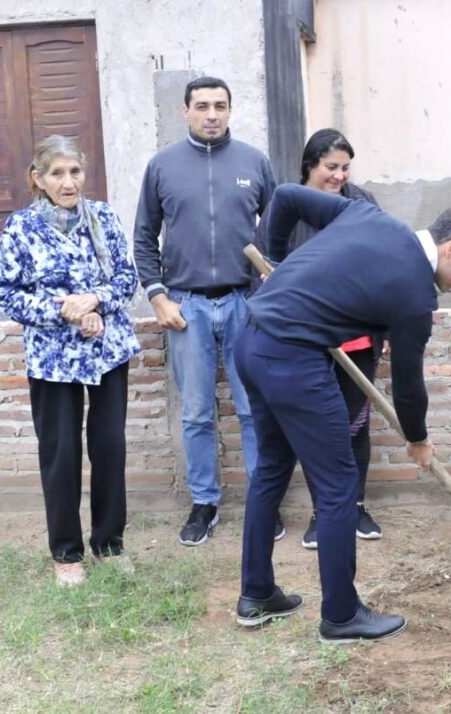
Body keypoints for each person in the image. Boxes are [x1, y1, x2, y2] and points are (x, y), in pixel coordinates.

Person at [233, 183, 451, 641]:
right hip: (293, 359)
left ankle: (256, 594)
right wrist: (418, 439)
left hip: (252, 342)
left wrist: (273, 264)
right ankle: (340, 615)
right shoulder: (416, 294)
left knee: (271, 471)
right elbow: (409, 385)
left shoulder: (366, 217)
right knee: (338, 485)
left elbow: (288, 197)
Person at [133, 76, 280, 547]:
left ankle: (263, 501)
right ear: (186, 111)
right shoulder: (162, 166)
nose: (211, 114)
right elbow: (143, 236)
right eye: (202, 106)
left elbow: (276, 230)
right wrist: (158, 296)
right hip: (186, 306)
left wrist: (268, 295)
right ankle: (204, 503)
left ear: (231, 110)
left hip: (244, 303)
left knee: (253, 408)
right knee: (196, 411)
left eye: (219, 105)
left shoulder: (254, 162)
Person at [0, 135, 141, 586]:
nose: (68, 181)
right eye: (57, 173)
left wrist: (95, 301)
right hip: (52, 357)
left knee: (109, 447)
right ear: (37, 179)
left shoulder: (102, 217)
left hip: (106, 350)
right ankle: (67, 553)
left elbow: (126, 277)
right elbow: (9, 294)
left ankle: (109, 544)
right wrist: (64, 309)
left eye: (74, 171)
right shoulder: (20, 227)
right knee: (59, 453)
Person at [293, 129, 385, 547]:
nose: (339, 175)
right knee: (319, 430)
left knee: (356, 425)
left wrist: (388, 325)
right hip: (309, 341)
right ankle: (323, 512)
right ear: (310, 165)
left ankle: (357, 506)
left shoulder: (362, 203)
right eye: (331, 167)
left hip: (358, 337)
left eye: (345, 167)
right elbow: (269, 267)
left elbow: (385, 265)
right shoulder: (290, 206)